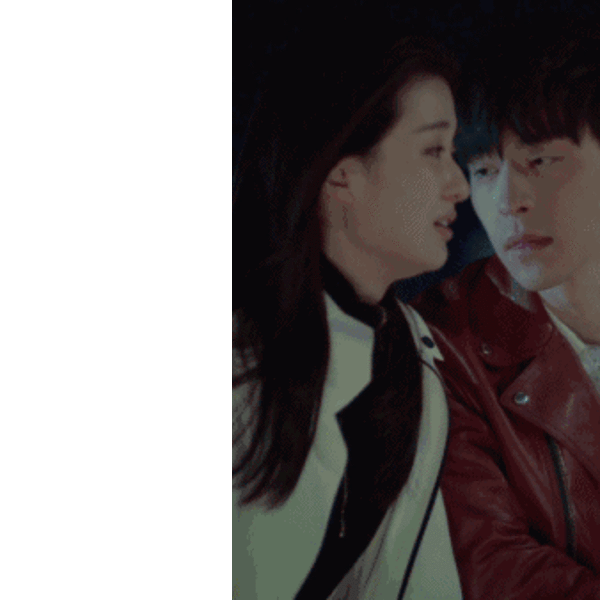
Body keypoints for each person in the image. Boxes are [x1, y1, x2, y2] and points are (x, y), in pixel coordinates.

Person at [232, 8, 470, 600]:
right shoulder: (244, 357)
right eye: (433, 150)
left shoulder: (413, 371)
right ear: (342, 175)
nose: (460, 184)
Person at [410, 13, 600, 600]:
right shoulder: (445, 342)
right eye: (484, 169)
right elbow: (494, 566)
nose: (507, 200)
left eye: (540, 161)